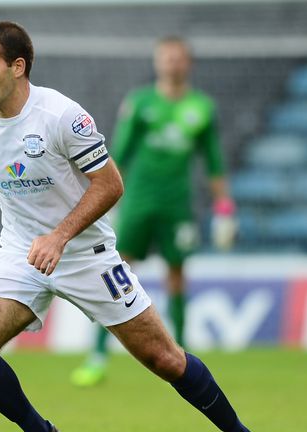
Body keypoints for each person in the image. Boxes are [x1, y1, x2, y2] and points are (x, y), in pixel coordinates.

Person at [0, 22, 250, 432]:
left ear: (17, 67)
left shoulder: (61, 116)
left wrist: (60, 237)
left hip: (85, 256)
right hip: (20, 254)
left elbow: (111, 184)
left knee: (165, 359)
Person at [71, 36, 237, 388]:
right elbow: (117, 157)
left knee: (177, 272)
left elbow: (214, 163)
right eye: (166, 58)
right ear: (158, 63)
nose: (172, 64)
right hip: (138, 202)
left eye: (178, 59)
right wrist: (106, 206)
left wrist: (224, 209)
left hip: (177, 203)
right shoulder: (140, 103)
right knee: (116, 274)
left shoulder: (202, 107)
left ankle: (183, 355)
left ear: (187, 63)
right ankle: (98, 356)